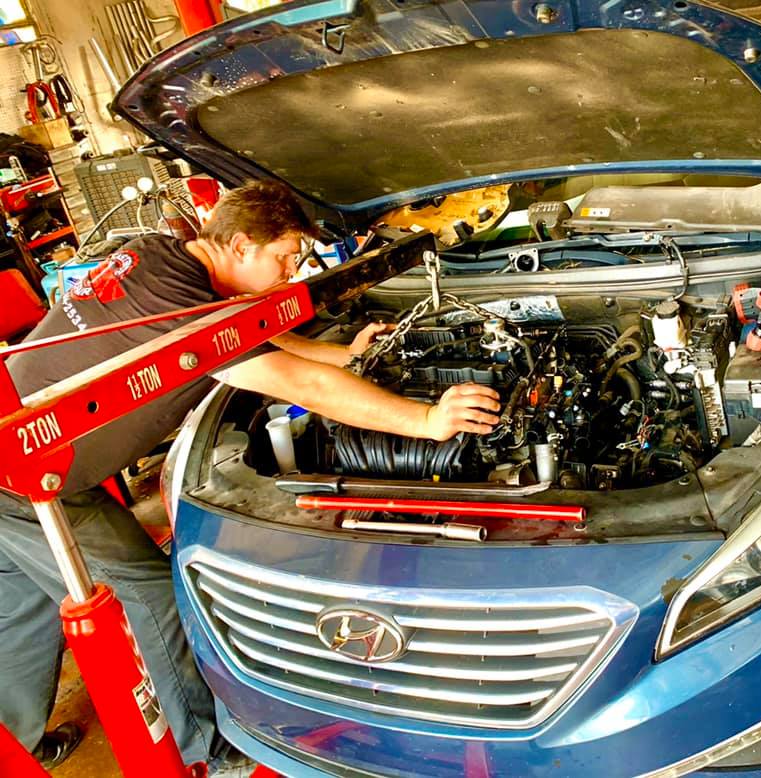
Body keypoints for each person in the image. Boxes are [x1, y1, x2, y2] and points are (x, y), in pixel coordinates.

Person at [0, 180, 500, 770]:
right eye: (286, 256)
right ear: (240, 245)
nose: (293, 272)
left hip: (31, 462)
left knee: (21, 609)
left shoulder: (163, 258)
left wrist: (346, 355)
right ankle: (210, 752)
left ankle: (20, 741)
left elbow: (247, 330)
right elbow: (298, 384)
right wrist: (426, 420)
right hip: (28, 478)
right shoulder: (175, 306)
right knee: (149, 596)